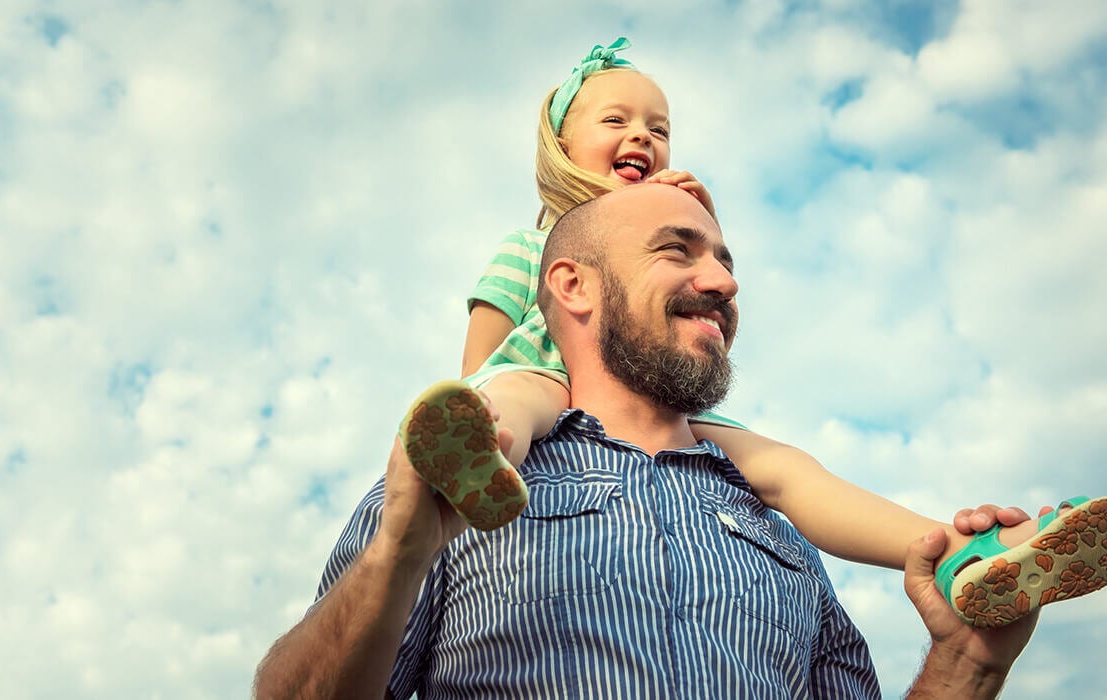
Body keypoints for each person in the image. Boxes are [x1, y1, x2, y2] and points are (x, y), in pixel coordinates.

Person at [400, 38, 1107, 628]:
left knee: (787, 469)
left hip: (661, 415)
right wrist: (475, 409)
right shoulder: (532, 247)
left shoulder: (675, 230)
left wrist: (688, 227)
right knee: (514, 399)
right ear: (560, 146)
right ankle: (478, 461)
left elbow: (685, 307)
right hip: (544, 382)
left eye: (659, 126)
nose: (642, 136)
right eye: (615, 121)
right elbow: (482, 360)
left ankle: (960, 551)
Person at [253, 185, 1040, 699]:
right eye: (679, 250)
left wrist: (969, 663)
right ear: (573, 285)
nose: (725, 282)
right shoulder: (457, 487)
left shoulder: (784, 539)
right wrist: (396, 560)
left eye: (726, 263)